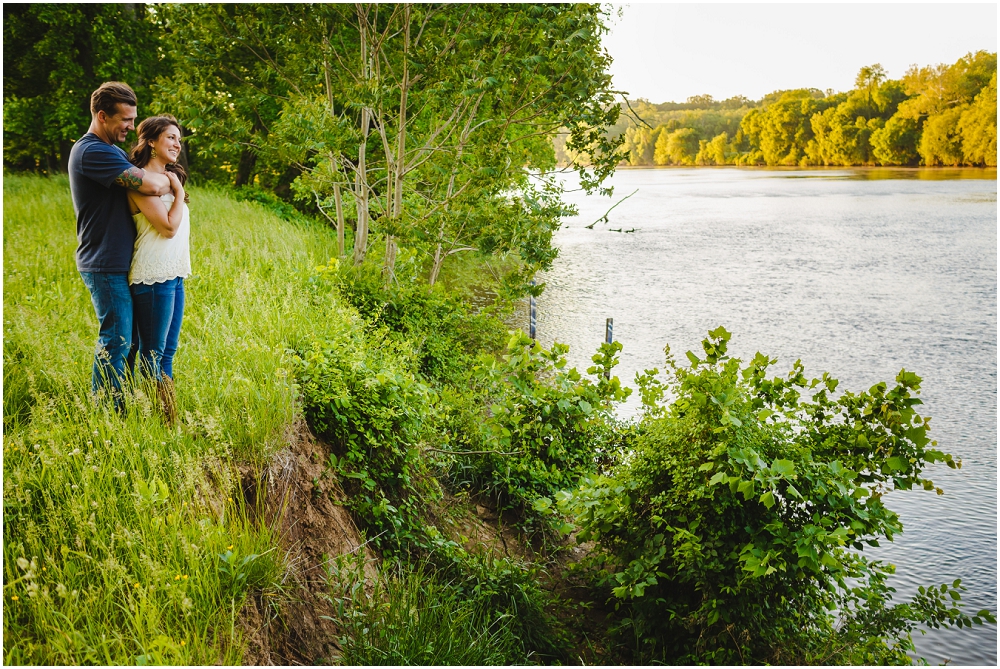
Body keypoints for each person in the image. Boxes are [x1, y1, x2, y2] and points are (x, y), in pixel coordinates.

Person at [69, 82, 171, 409]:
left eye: (133, 118)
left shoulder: (111, 150)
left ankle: (124, 406)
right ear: (102, 115)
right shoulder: (91, 151)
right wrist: (171, 183)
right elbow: (151, 183)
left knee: (131, 343)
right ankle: (109, 415)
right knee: (117, 340)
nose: (131, 127)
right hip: (104, 262)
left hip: (122, 262)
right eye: (126, 120)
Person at [126, 115, 191, 424]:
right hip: (152, 277)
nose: (177, 144)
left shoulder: (166, 178)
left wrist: (174, 186)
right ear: (151, 141)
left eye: (179, 139)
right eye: (171, 138)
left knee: (167, 352)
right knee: (154, 356)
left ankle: (168, 421)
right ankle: (164, 423)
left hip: (173, 275)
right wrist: (177, 193)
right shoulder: (140, 181)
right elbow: (167, 228)